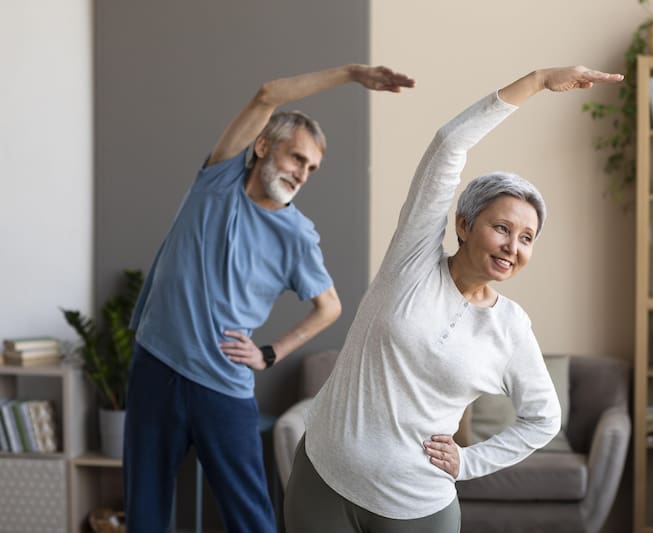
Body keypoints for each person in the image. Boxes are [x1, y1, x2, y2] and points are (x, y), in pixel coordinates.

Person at [284, 65, 623, 533]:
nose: (513, 246)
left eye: (527, 238)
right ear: (463, 225)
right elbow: (450, 143)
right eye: (502, 228)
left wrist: (469, 462)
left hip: (415, 508)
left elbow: (543, 419)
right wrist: (539, 81)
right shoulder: (413, 260)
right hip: (321, 479)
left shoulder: (510, 327)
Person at [123, 64, 415, 533]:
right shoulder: (217, 180)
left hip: (222, 386)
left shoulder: (299, 236)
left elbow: (330, 307)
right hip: (156, 366)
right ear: (262, 146)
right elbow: (266, 94)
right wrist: (352, 74)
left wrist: (269, 352)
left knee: (251, 521)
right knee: (145, 514)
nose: (302, 173)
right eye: (297, 158)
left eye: (311, 168)